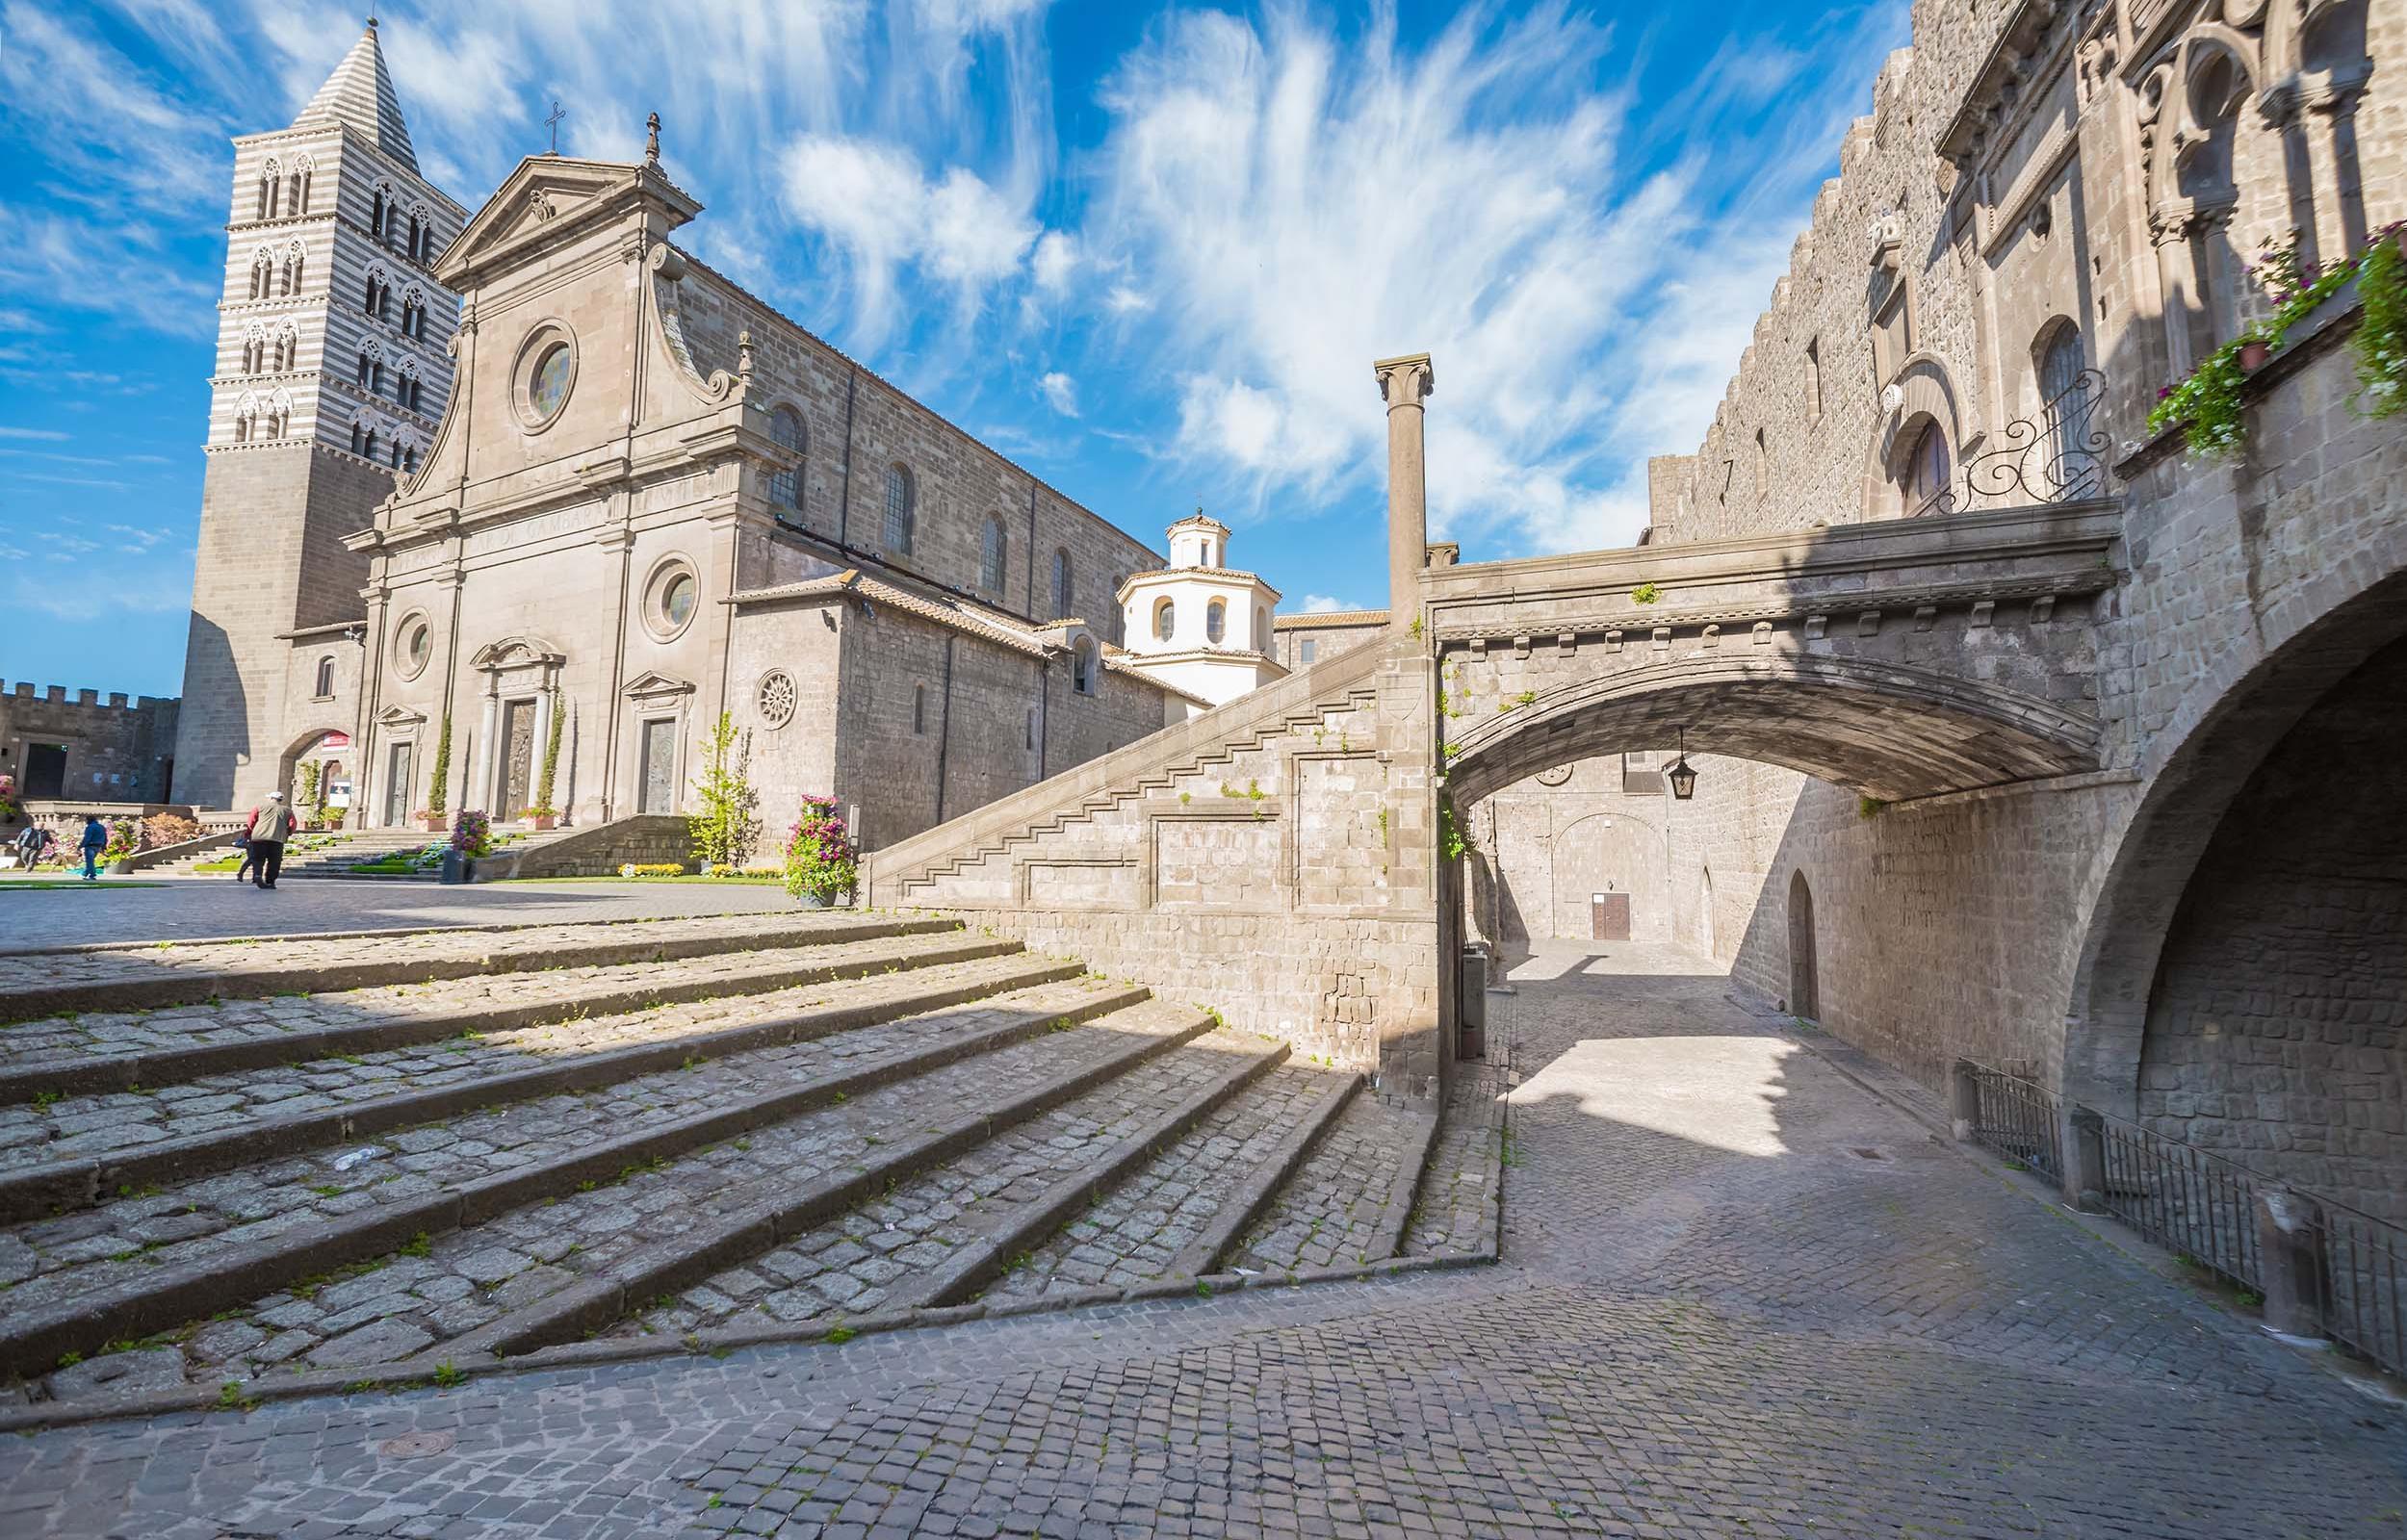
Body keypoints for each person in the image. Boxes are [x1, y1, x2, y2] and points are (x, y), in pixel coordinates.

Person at [246, 792, 297, 890]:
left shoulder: (259, 807)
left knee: (258, 859)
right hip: (277, 839)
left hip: (259, 838)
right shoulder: (287, 810)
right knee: (274, 861)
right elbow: (292, 824)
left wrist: (248, 833)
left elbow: (251, 822)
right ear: (280, 800)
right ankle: (270, 881)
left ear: (271, 798)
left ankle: (257, 875)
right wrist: (288, 832)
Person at [77, 815, 107, 883]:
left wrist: (80, 846)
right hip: (98, 846)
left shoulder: (90, 827)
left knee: (90, 861)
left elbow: (87, 838)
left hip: (90, 845)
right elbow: (105, 837)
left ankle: (92, 875)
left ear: (88, 820)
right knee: (91, 861)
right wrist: (104, 846)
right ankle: (85, 874)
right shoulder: (101, 827)